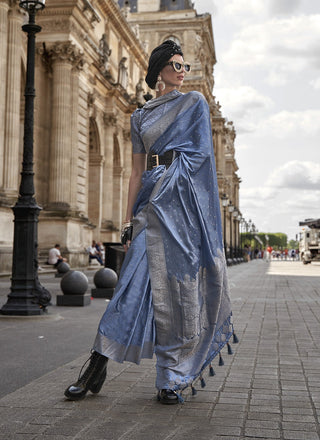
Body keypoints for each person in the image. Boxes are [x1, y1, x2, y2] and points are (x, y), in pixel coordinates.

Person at [64, 40, 237, 405]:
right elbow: (135, 172)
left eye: (184, 65)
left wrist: (178, 182)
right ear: (158, 70)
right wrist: (128, 220)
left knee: (179, 292)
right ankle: (95, 368)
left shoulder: (194, 103)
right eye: (175, 64)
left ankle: (170, 379)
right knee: (127, 286)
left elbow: (203, 157)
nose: (182, 71)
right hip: (150, 206)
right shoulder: (139, 117)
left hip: (182, 208)